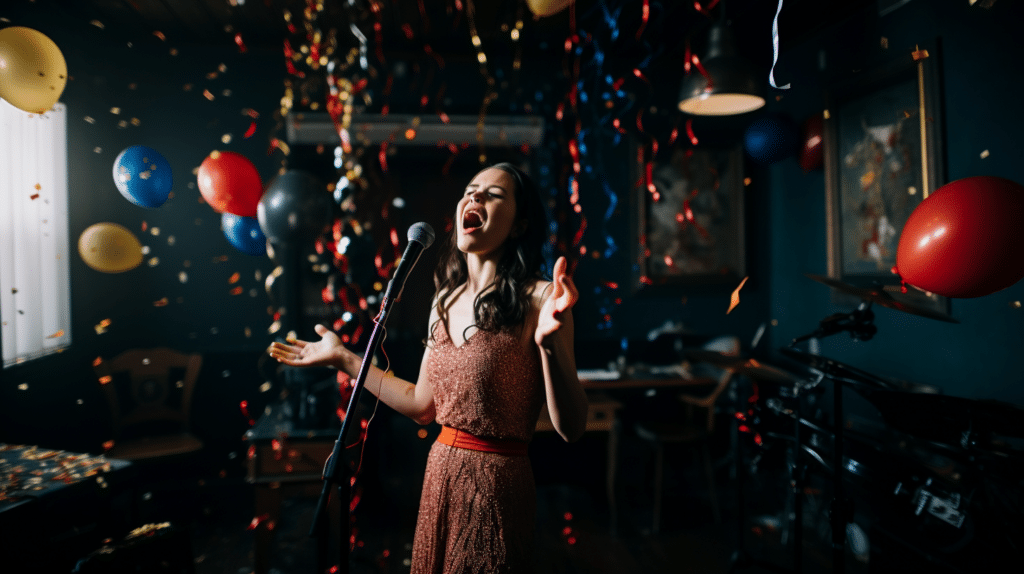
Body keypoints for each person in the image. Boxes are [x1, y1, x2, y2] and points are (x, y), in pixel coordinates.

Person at [268, 162, 588, 573]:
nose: (475, 197)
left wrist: (549, 347)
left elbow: (572, 427)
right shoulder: (444, 300)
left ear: (520, 224)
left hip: (497, 484)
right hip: (439, 476)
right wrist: (343, 358)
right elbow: (422, 405)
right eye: (471, 190)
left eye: (494, 194)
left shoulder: (542, 298)